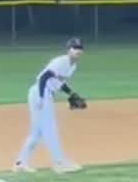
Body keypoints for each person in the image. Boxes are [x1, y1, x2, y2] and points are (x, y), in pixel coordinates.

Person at [14, 37, 88, 173]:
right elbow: (44, 77)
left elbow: (58, 82)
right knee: (50, 129)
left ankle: (20, 163)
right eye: (74, 48)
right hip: (40, 92)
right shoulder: (61, 62)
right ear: (68, 50)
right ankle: (59, 163)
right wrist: (42, 98)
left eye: (79, 48)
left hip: (41, 93)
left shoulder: (73, 66)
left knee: (36, 133)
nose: (77, 51)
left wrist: (71, 93)